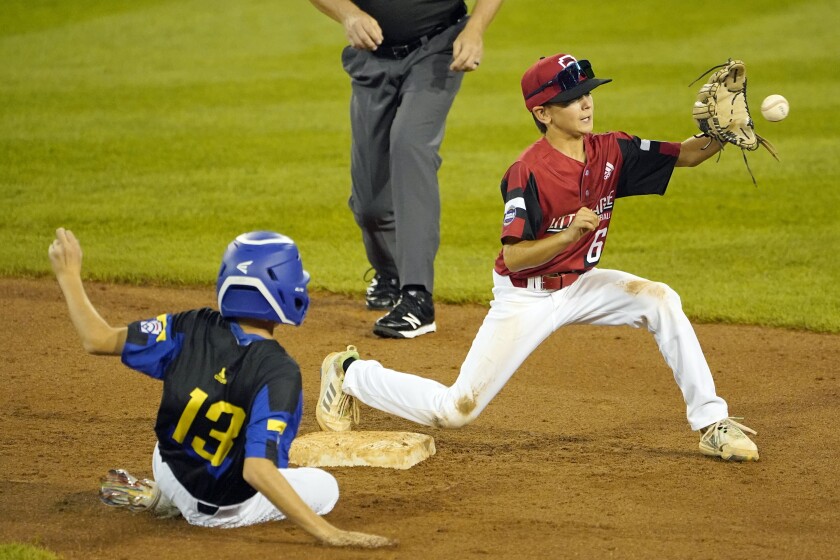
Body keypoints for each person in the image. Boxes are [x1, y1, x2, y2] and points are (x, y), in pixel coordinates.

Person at [315, 52, 760, 462]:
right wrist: (567, 236)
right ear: (542, 113)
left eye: (587, 93)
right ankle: (349, 374)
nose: (586, 104)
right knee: (457, 410)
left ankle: (711, 422)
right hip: (526, 296)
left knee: (659, 299)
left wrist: (721, 134)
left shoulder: (611, 150)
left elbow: (685, 156)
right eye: (571, 98)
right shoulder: (527, 172)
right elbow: (517, 257)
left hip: (581, 285)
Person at [49, 228, 395, 548]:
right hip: (223, 513)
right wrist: (330, 534)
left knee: (183, 434)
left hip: (168, 468)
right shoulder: (280, 371)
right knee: (325, 487)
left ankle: (163, 498)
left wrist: (68, 276)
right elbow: (257, 471)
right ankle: (177, 507)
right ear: (275, 292)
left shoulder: (189, 325)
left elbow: (97, 339)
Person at [308, 0, 504, 339]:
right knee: (371, 204)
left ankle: (417, 297)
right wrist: (348, 14)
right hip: (372, 56)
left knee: (410, 144)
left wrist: (475, 29)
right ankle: (390, 274)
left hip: (438, 48)